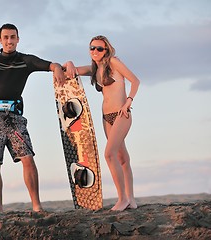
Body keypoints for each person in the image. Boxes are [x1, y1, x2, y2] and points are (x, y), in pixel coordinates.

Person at [0, 23, 65, 214]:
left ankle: (37, 206)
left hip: (15, 118)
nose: (9, 41)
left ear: (18, 39)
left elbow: (51, 65)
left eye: (12, 37)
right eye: (5, 37)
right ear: (0, 40)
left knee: (28, 159)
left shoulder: (26, 61)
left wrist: (57, 69)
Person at [64, 35, 140, 211]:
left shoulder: (113, 62)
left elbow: (135, 80)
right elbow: (72, 70)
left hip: (121, 114)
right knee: (122, 157)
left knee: (109, 154)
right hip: (106, 117)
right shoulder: (95, 69)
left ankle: (122, 199)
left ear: (106, 50)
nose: (95, 51)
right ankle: (131, 199)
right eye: (92, 48)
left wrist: (129, 101)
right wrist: (68, 62)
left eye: (99, 48)